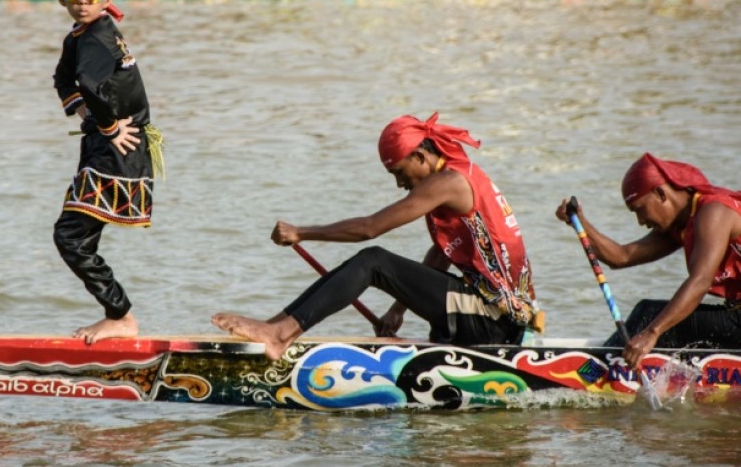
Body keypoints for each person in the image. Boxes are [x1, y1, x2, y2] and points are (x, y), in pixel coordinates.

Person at [213, 113, 543, 360]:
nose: (400, 183)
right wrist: (399, 310)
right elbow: (443, 253)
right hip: (495, 317)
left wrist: (302, 232)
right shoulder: (460, 176)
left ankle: (280, 333)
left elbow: (370, 228)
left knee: (373, 261)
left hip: (495, 320)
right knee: (377, 263)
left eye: (400, 172)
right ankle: (275, 326)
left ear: (420, 156)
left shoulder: (449, 182)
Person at [52, 0, 164, 344]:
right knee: (76, 237)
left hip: (118, 149)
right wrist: (90, 118)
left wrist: (110, 127)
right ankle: (117, 314)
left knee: (69, 236)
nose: (83, 2)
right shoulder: (83, 35)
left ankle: (120, 316)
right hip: (106, 145)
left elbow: (91, 85)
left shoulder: (96, 37)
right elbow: (66, 81)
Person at [555, 153, 741, 368]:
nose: (641, 221)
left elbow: (700, 281)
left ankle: (596, 372)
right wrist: (578, 222)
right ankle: (613, 364)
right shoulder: (683, 224)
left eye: (640, 210)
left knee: (650, 315)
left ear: (660, 193)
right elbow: (621, 257)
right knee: (651, 314)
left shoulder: (713, 212)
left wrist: (652, 333)